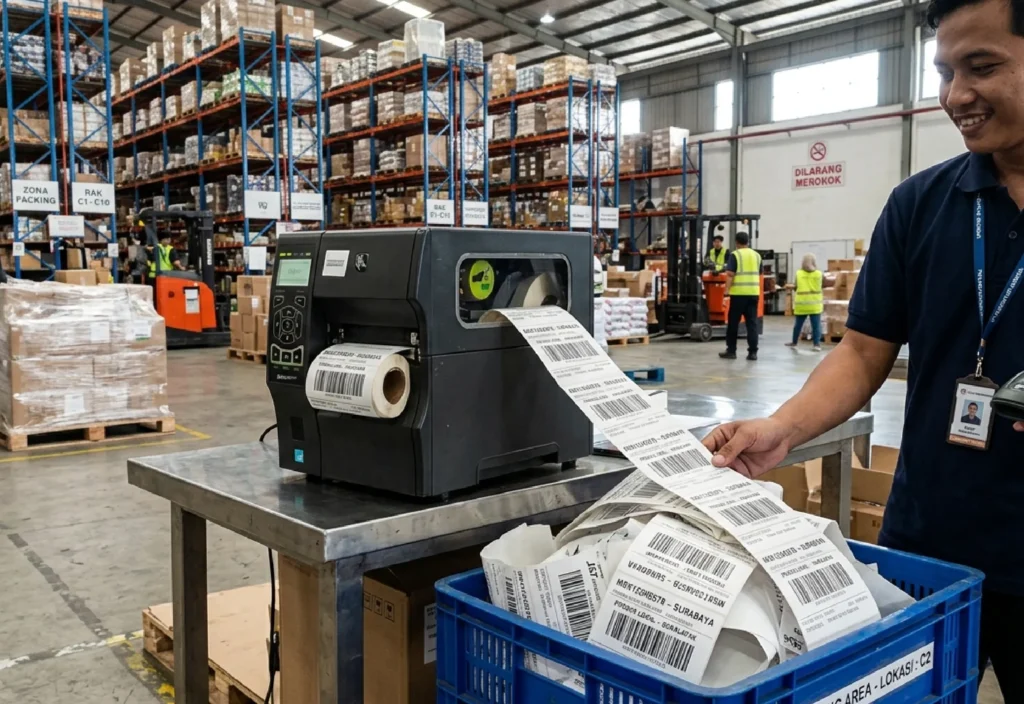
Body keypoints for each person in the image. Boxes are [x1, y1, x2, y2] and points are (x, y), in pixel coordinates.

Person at [701, 0, 1024, 696]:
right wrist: (781, 427)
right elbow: (863, 352)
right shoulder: (921, 204)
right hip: (932, 547)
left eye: (982, 66)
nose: (956, 96)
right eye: (943, 73)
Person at [719, 231, 762, 361]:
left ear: (736, 242)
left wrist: (726, 290)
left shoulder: (735, 255)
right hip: (753, 294)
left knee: (733, 323)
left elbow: (730, 274)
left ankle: (731, 351)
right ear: (748, 241)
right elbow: (759, 273)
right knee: (752, 324)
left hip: (738, 295)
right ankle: (753, 353)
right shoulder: (757, 255)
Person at [786, 253, 823, 351]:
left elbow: (796, 287)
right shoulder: (819, 274)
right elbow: (821, 285)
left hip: (802, 304)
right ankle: (817, 345)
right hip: (815, 304)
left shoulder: (799, 273)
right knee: (816, 326)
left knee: (798, 325)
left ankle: (794, 343)